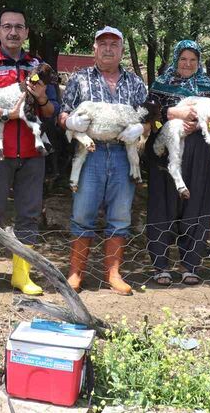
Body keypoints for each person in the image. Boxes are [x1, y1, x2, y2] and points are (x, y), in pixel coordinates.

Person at [0, 8, 59, 298]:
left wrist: (41, 97)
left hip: (32, 153)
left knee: (29, 215)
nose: (13, 32)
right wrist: (8, 113)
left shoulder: (37, 66)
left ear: (27, 32)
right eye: (8, 27)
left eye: (19, 27)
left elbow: (52, 111)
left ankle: (22, 276)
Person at [59, 26, 148, 296]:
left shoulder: (134, 82)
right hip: (90, 154)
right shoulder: (80, 79)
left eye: (114, 44)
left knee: (120, 216)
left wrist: (142, 130)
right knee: (82, 214)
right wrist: (69, 121)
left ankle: (113, 273)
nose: (108, 48)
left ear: (121, 50)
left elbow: (147, 120)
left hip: (123, 153)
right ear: (94, 49)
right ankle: (75, 273)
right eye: (103, 44)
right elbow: (62, 115)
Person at [145, 40, 210, 286]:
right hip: (166, 154)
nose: (188, 64)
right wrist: (173, 116)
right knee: (162, 206)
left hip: (200, 155)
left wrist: (200, 124)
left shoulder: (208, 87)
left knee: (196, 206)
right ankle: (160, 265)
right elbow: (150, 117)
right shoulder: (160, 85)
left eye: (193, 60)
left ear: (199, 63)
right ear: (175, 60)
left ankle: (190, 265)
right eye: (183, 59)